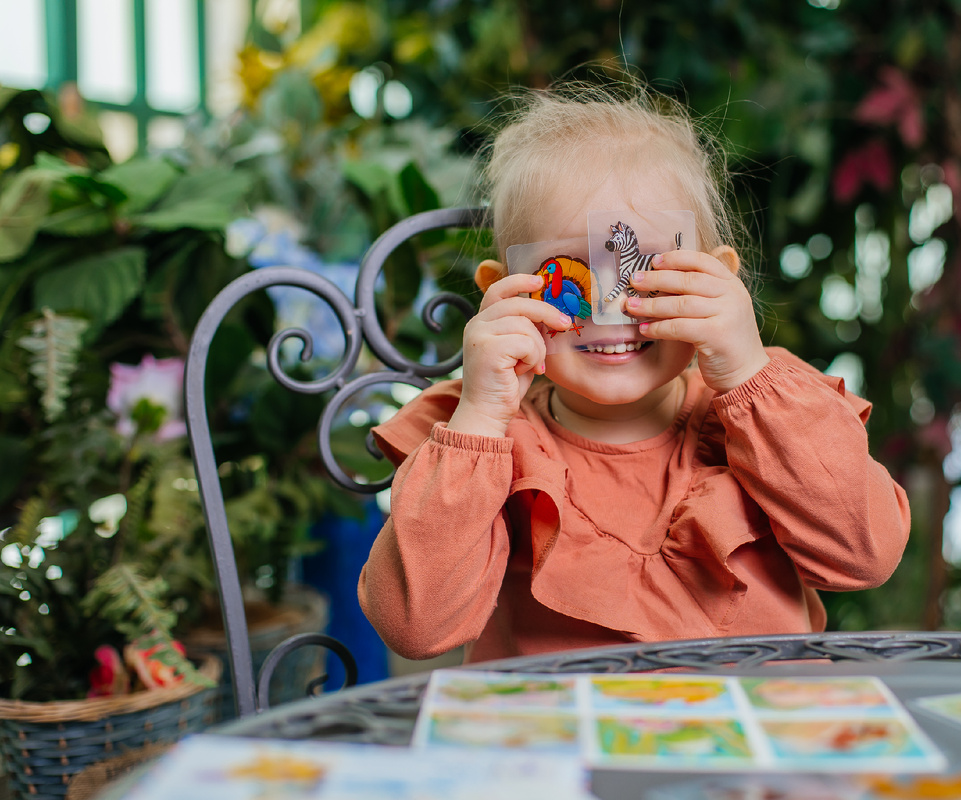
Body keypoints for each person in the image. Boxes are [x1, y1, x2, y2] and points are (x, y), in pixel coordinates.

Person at [358, 81, 910, 663]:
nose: (611, 314)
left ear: (716, 280)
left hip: (754, 740)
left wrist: (749, 374)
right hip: (562, 742)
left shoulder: (772, 406)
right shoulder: (481, 439)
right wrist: (479, 418)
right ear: (501, 291)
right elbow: (415, 629)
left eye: (645, 272)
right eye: (567, 280)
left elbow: (864, 556)